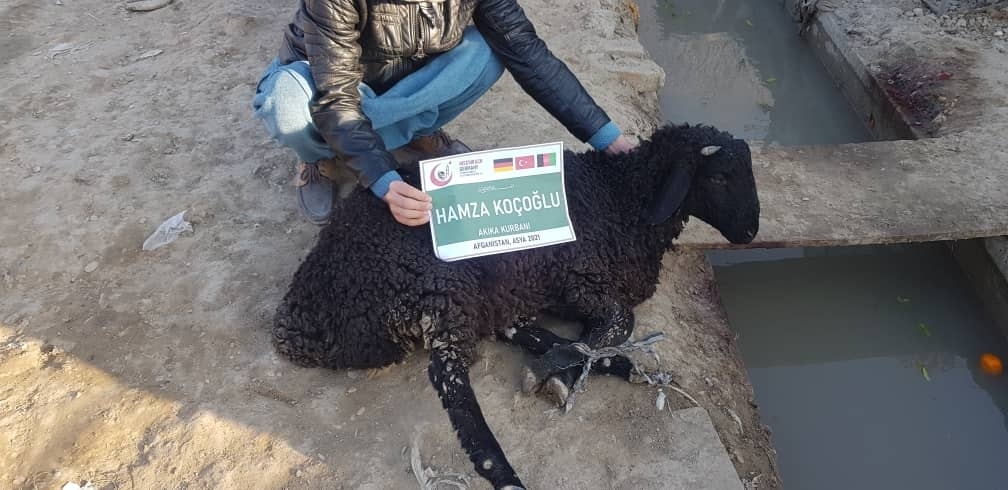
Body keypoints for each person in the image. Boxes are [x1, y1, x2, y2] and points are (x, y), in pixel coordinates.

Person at [253, 0, 635, 226]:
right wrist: (384, 180)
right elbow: (336, 95)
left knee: (491, 50)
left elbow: (527, 52)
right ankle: (318, 158)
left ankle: (413, 131)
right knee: (287, 106)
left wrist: (606, 137)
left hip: (409, 80)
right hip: (332, 83)